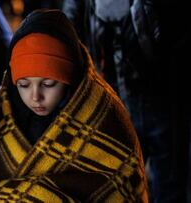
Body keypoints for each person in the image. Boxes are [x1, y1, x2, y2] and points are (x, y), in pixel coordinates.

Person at [0, 9, 148, 202]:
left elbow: (123, 189)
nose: (35, 96)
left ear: (70, 78)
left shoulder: (107, 119)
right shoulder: (4, 112)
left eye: (48, 84)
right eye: (24, 84)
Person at [62, 0, 191, 202]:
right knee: (119, 183)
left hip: (158, 91)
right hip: (114, 90)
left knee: (166, 181)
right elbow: (71, 19)